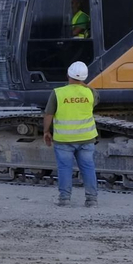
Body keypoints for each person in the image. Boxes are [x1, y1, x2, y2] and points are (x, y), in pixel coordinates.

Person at [44, 60, 99, 207]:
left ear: (68, 74)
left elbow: (49, 114)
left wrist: (46, 131)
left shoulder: (58, 93)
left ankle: (64, 199)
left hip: (64, 139)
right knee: (88, 168)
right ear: (85, 77)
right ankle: (92, 199)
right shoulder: (91, 92)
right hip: (87, 138)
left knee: (64, 168)